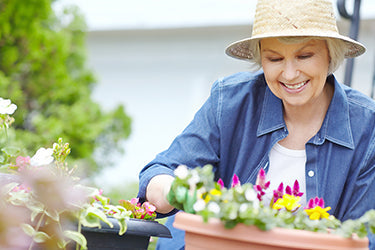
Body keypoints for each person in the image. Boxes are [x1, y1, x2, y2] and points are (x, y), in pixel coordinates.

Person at [138, 0, 375, 249]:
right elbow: (158, 172)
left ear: (330, 53)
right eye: (274, 59)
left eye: (304, 56)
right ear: (261, 58)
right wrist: (173, 190)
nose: (290, 73)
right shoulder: (230, 102)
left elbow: (363, 237)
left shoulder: (367, 128)